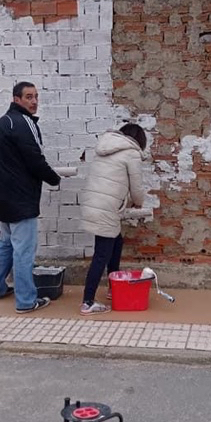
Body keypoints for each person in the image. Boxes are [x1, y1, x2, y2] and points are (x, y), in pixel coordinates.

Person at [0, 81, 60, 313]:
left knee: (6, 243)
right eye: (28, 97)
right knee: (24, 250)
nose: (34, 101)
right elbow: (34, 158)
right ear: (16, 99)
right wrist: (54, 178)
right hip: (20, 197)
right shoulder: (23, 123)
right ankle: (26, 301)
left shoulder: (1, 124)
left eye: (36, 96)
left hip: (0, 195)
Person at [79, 123, 147, 315]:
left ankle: (113, 286)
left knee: (117, 242)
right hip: (106, 209)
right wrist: (138, 202)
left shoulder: (105, 147)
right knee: (101, 255)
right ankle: (87, 302)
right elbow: (137, 187)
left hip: (93, 205)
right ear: (139, 141)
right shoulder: (131, 153)